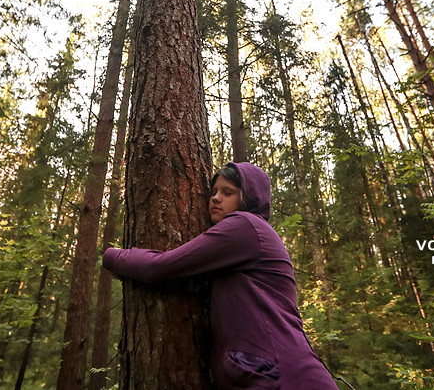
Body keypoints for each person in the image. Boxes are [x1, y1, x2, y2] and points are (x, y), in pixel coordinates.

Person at [102, 161, 339, 390]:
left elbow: (162, 267)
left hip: (283, 376)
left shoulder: (245, 226)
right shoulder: (250, 235)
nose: (215, 198)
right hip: (275, 371)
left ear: (250, 198)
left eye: (228, 192)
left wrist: (111, 256)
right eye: (214, 191)